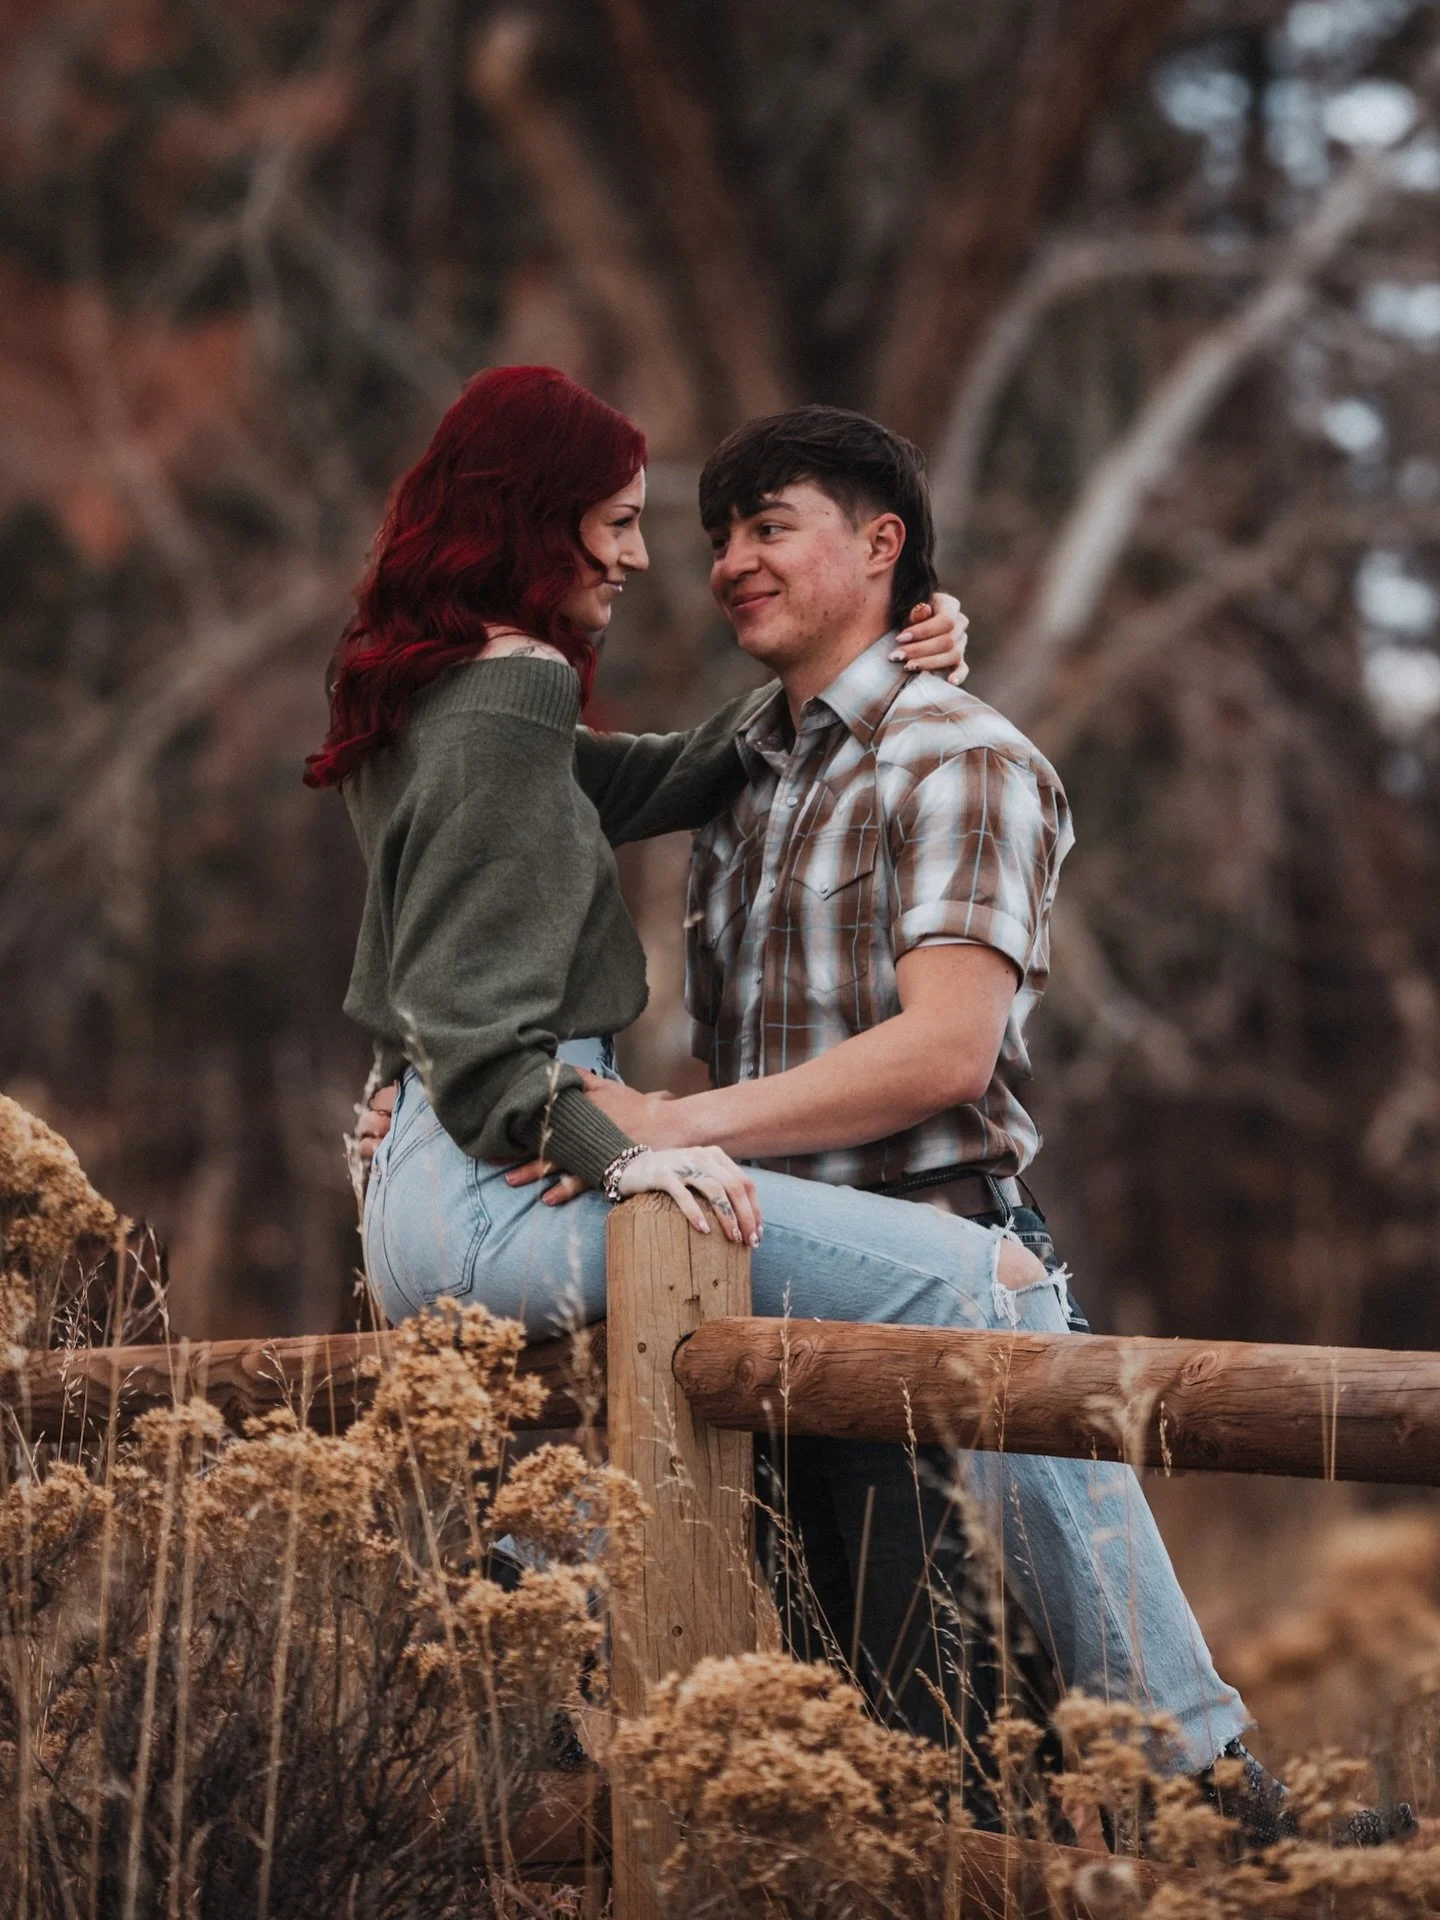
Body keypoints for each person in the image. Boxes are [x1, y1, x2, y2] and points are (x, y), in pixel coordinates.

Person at [317, 365, 1395, 1848]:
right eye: (635, 524)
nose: (660, 560)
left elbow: (662, 811)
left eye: (752, 527)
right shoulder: (522, 692)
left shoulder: (469, 700)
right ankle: (1200, 1778)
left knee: (911, 1750)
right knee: (992, 1319)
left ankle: (1185, 1783)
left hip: (557, 1203)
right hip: (588, 1194)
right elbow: (494, 1030)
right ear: (537, 516)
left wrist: (548, 1117)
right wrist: (612, 1140)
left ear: (883, 547)